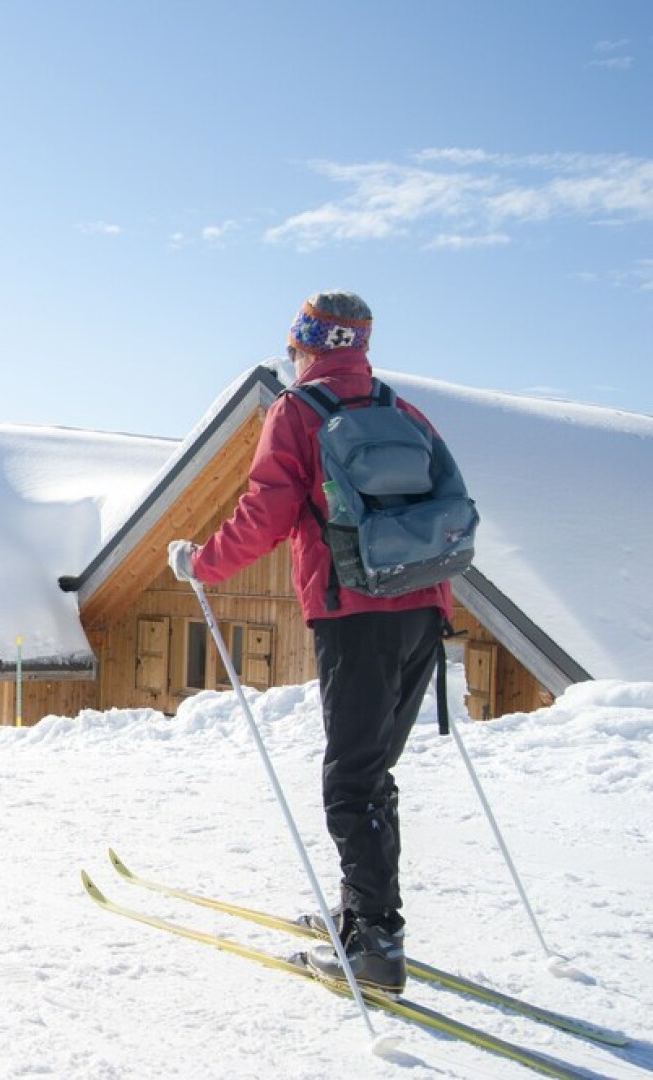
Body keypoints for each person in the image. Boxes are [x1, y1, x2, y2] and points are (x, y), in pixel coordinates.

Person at [166, 290, 452, 995]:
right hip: (425, 608)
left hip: (353, 613)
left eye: (293, 347)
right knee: (371, 770)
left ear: (305, 345)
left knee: (349, 781)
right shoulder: (401, 410)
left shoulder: (297, 412)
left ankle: (378, 947)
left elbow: (268, 509)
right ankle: (362, 920)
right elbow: (451, 499)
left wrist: (202, 564)